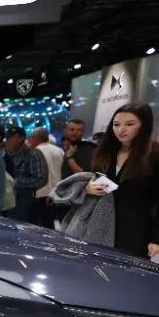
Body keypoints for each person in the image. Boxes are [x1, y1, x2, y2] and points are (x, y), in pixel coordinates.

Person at [82, 103, 159, 258]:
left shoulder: (154, 155)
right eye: (116, 124)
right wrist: (87, 188)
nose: (121, 130)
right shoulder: (103, 152)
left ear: (144, 126)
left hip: (136, 232)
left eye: (129, 124)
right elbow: (91, 179)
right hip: (99, 226)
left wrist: (156, 238)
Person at [4, 126, 46, 222]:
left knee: (16, 224)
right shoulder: (5, 153)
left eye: (11, 137)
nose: (8, 140)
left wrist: (14, 182)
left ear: (21, 138)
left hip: (22, 200)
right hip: (5, 198)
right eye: (7, 137)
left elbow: (39, 179)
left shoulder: (31, 154)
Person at [30, 126, 63, 228]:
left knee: (37, 224)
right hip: (56, 191)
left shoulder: (34, 151)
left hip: (40, 192)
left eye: (31, 138)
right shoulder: (59, 150)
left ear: (36, 138)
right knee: (49, 222)